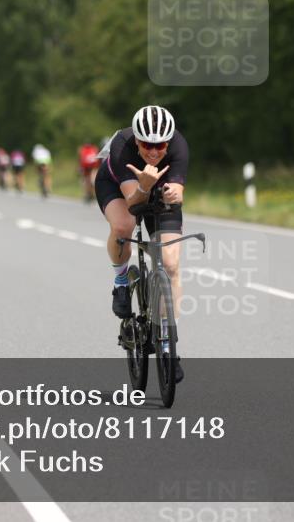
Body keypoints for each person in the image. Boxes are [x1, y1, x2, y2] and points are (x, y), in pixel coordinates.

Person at [94, 105, 188, 382]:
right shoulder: (122, 147)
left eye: (160, 145)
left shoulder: (179, 147)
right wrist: (145, 185)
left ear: (169, 142)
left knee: (170, 264)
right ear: (136, 139)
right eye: (147, 144)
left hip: (155, 188)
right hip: (118, 187)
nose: (154, 151)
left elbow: (179, 191)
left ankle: (169, 346)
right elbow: (134, 203)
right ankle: (121, 282)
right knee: (123, 227)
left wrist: (172, 194)